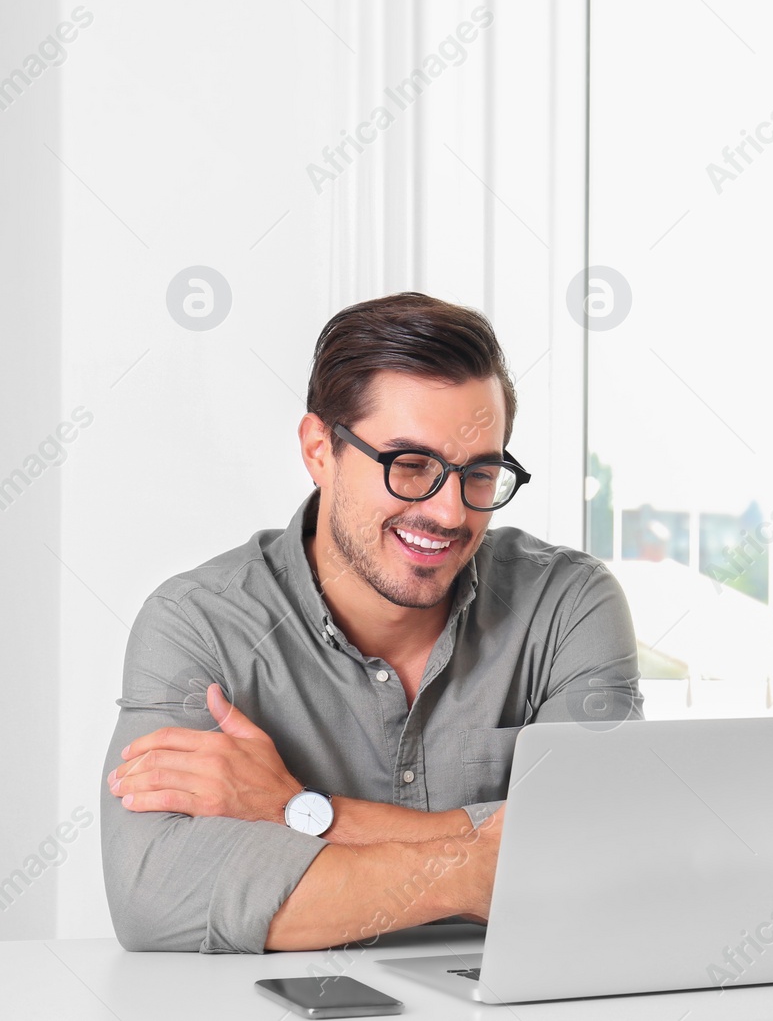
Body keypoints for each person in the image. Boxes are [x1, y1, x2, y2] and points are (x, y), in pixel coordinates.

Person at [99, 292, 643, 953]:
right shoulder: (199, 624)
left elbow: (605, 858)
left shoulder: (568, 604)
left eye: (480, 472)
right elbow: (156, 899)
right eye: (410, 466)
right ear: (320, 450)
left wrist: (298, 812)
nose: (448, 513)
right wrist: (485, 869)